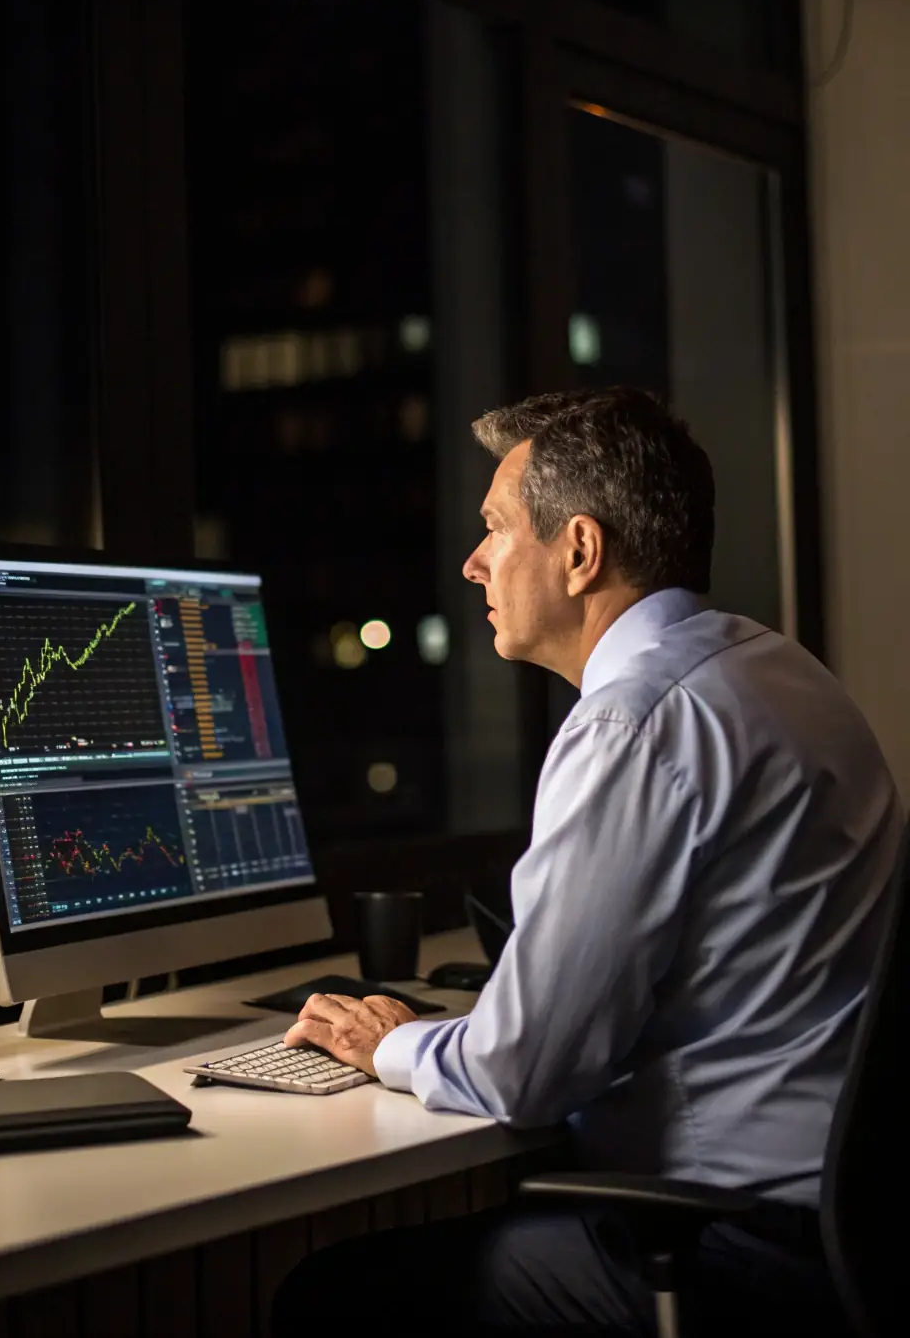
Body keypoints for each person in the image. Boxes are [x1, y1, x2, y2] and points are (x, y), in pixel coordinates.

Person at [272, 387, 902, 1336]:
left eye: (495, 528)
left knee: (328, 1297)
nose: (473, 561)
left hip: (736, 1249)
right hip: (856, 1230)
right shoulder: (783, 671)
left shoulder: (633, 722)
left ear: (579, 551)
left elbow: (524, 1074)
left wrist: (387, 1043)